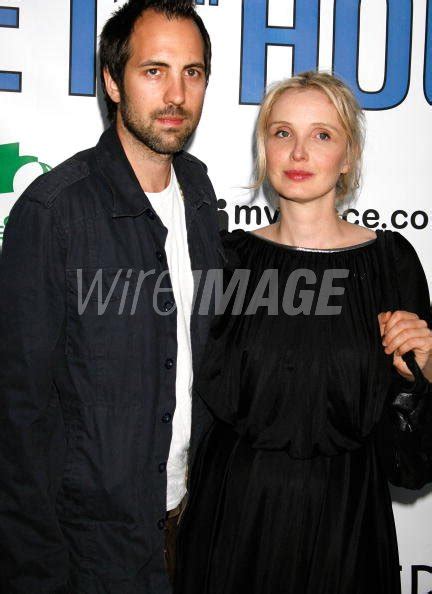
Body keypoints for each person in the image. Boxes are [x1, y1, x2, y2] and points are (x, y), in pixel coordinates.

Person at [175, 72, 432, 594]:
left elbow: (409, 461)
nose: (298, 152)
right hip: (234, 515)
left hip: (347, 522)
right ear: (263, 148)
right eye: (282, 132)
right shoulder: (225, 261)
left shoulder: (392, 262)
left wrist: (425, 371)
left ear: (349, 156)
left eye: (321, 135)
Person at [0, 1, 222, 592]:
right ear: (111, 81)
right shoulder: (54, 212)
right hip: (91, 554)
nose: (176, 93)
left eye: (192, 72)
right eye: (155, 70)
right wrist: (37, 571)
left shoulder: (202, 196)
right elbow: (16, 418)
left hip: (192, 531)